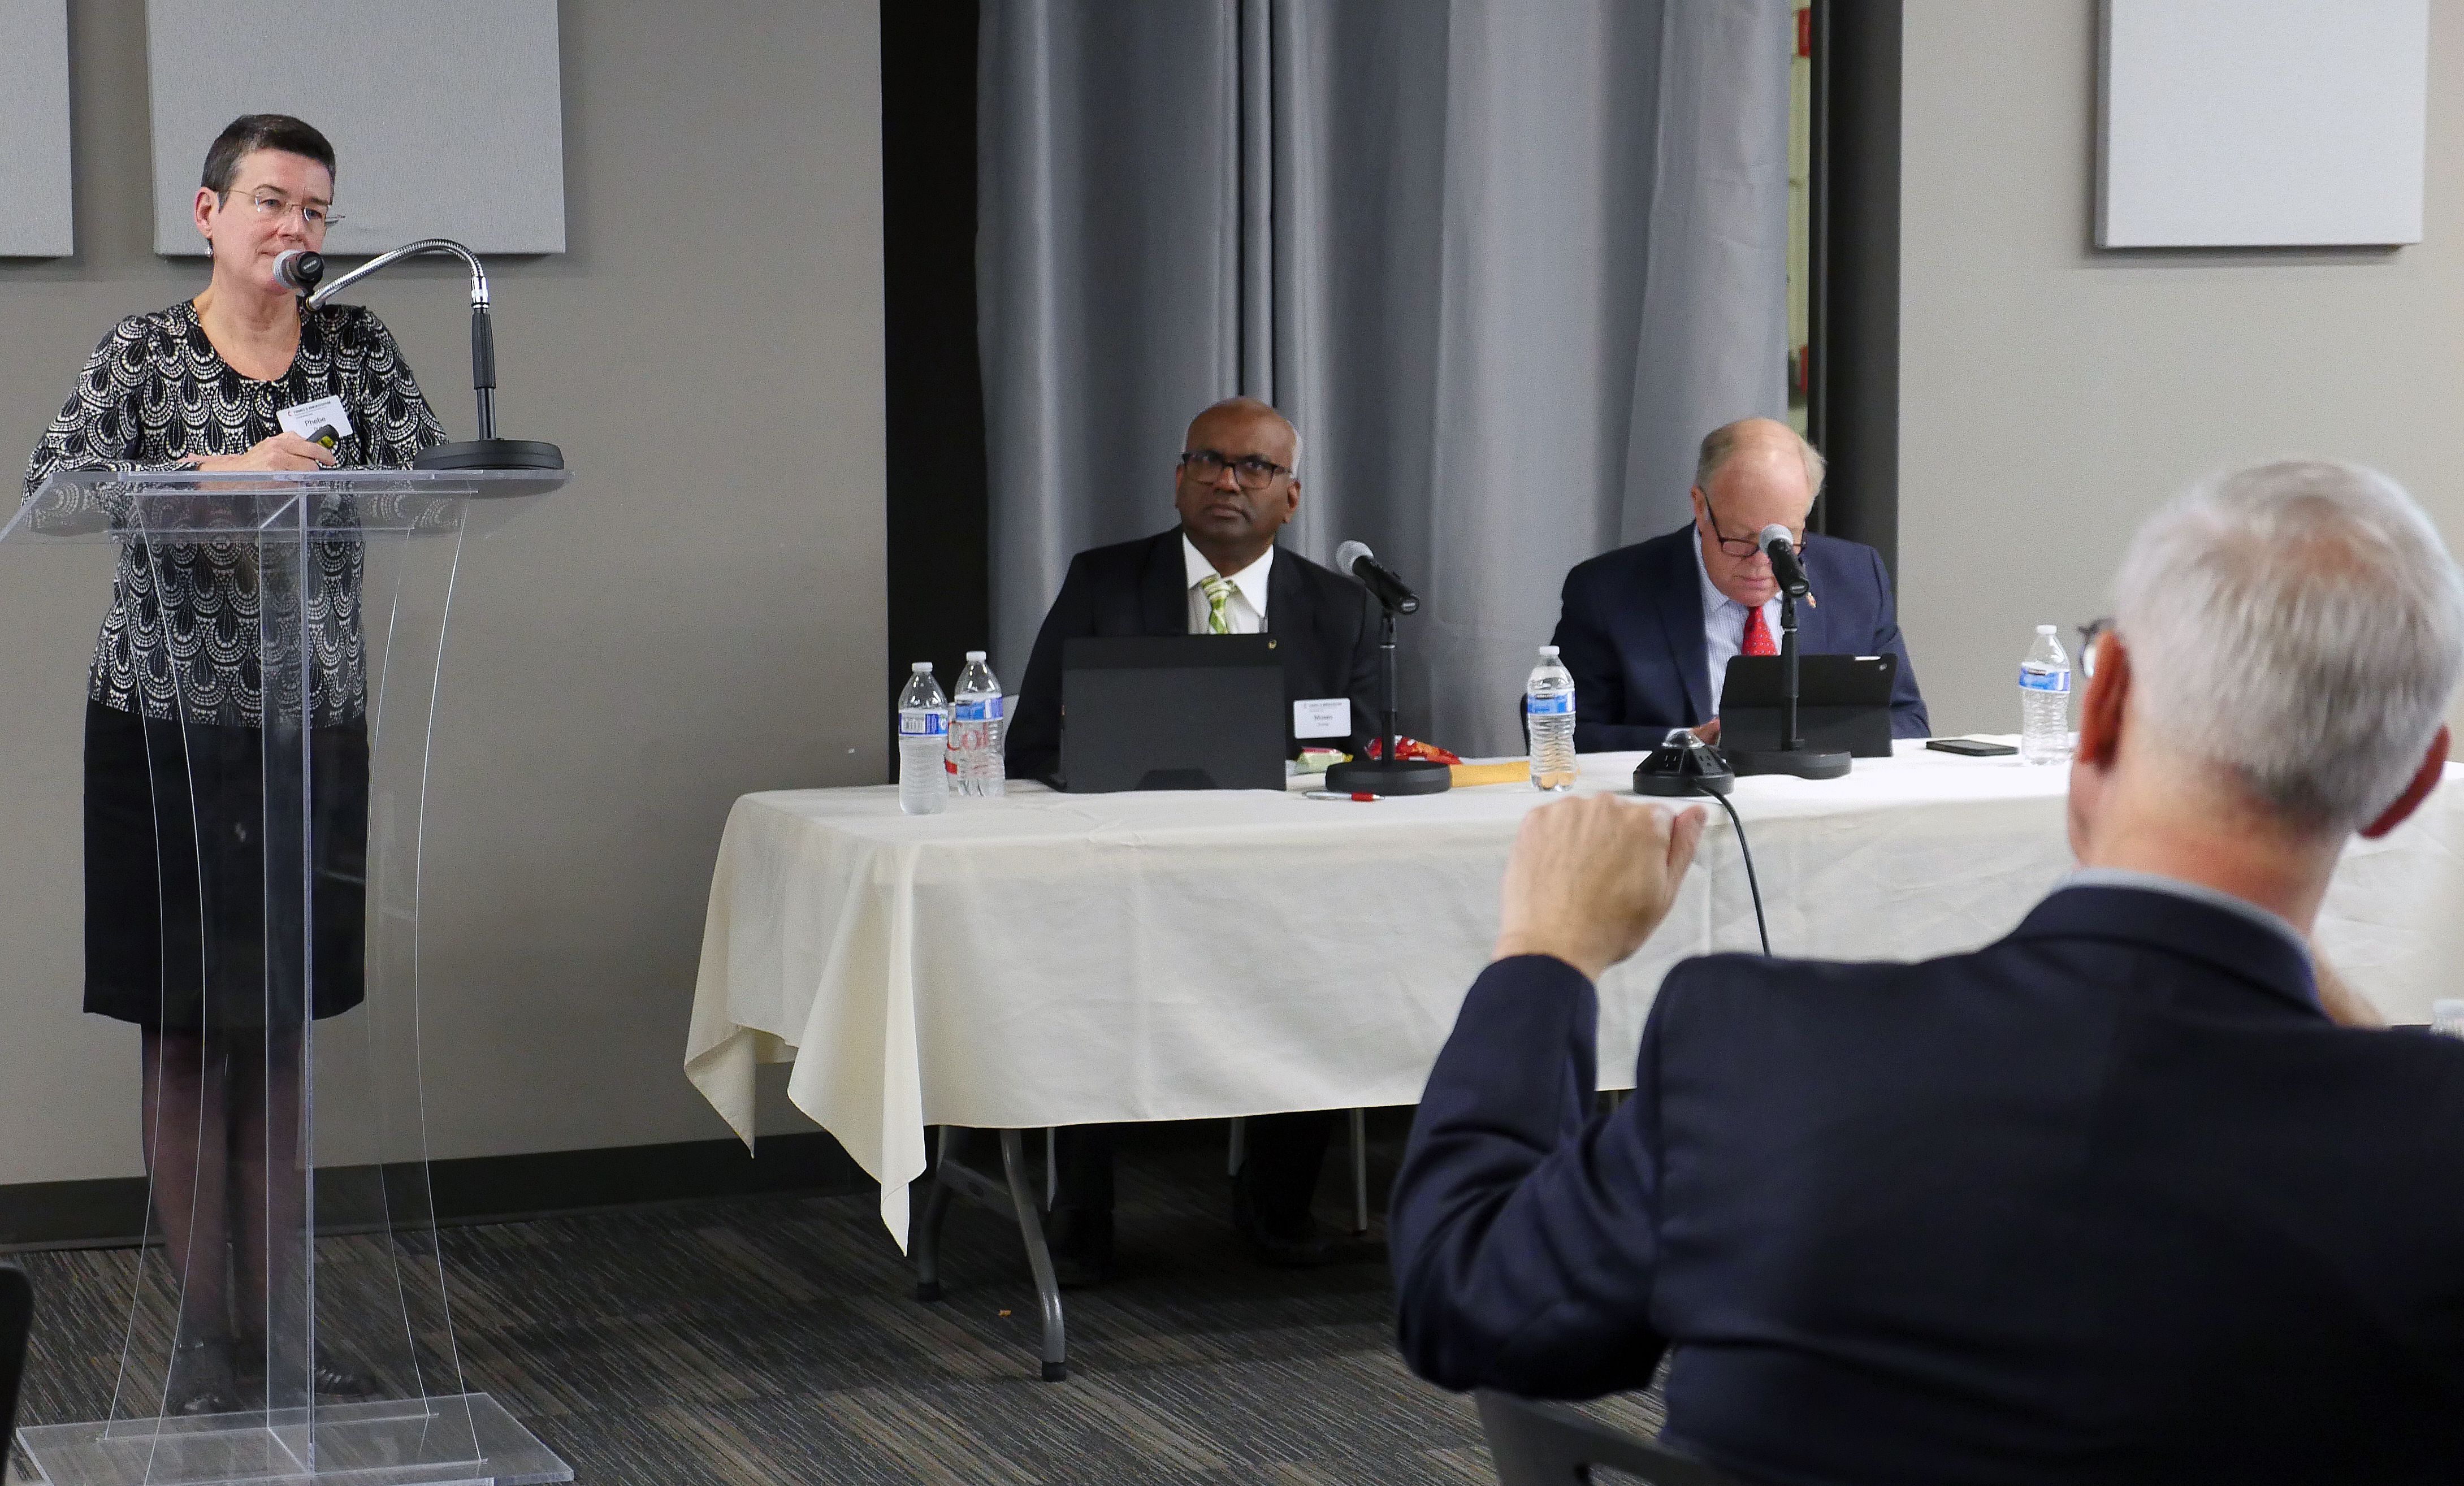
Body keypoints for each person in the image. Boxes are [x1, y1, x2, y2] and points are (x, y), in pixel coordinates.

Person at [1390, 460, 2464, 1484]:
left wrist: (1544, 955)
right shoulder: (2428, 1140)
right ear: (2412, 781)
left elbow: (1466, 1296)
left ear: (2098, 702)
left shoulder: (1756, 1052)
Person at [23, 114, 447, 1415]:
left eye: (316, 211)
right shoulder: (146, 352)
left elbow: (429, 483)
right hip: (163, 728)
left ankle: (287, 1329)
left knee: (280, 1045)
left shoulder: (355, 345)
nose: (296, 231)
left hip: (309, 724)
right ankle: (208, 1338)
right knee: (189, 1042)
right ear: (208, 213)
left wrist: (346, 478)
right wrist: (221, 473)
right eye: (271, 203)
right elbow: (56, 488)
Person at [1004, 396, 1381, 1284]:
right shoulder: (1103, 583)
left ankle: (1278, 1204)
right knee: (1082, 978)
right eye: (1208, 461)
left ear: (1291, 498)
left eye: (1254, 468)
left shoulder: (1340, 610)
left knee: (1325, 966)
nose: (1227, 481)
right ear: (1177, 478)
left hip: (1281, 874)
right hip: (1123, 866)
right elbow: (1032, 744)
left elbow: (1361, 754)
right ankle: (1082, 1209)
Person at [1549, 418, 1926, 751]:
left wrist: (1802, 739)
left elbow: (1908, 723)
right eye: (1742, 541)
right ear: (1700, 506)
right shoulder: (1606, 591)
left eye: (1785, 541)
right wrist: (1686, 742)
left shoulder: (1856, 577)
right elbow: (1560, 735)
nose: (1762, 563)